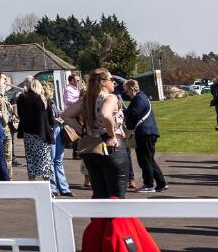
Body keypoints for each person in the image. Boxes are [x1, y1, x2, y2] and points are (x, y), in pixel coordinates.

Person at [65, 69, 129, 199]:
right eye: (111, 79)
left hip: (91, 149)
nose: (114, 82)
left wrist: (81, 131)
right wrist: (111, 135)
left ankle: (99, 219)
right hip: (111, 147)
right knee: (116, 196)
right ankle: (113, 220)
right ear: (103, 82)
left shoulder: (86, 99)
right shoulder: (110, 98)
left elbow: (66, 115)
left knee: (99, 194)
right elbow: (106, 115)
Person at [122, 80, 166, 192]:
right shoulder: (141, 97)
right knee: (149, 159)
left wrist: (121, 111)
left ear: (132, 88)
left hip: (145, 132)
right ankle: (161, 183)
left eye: (127, 91)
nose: (126, 93)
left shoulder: (140, 98)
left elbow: (133, 114)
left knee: (144, 160)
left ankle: (148, 184)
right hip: (148, 132)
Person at [16, 78, 57, 188]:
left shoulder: (21, 98)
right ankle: (47, 188)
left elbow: (19, 114)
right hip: (41, 133)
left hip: (27, 132)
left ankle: (32, 186)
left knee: (31, 160)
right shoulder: (42, 99)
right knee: (45, 161)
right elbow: (50, 118)